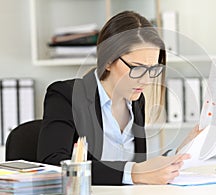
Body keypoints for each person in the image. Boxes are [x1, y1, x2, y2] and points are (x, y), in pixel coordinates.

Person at [37, 11, 201, 185]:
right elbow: (52, 164)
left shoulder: (136, 101)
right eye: (137, 68)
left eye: (152, 69)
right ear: (108, 60)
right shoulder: (66, 95)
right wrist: (134, 173)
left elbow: (139, 168)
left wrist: (181, 152)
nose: (146, 80)